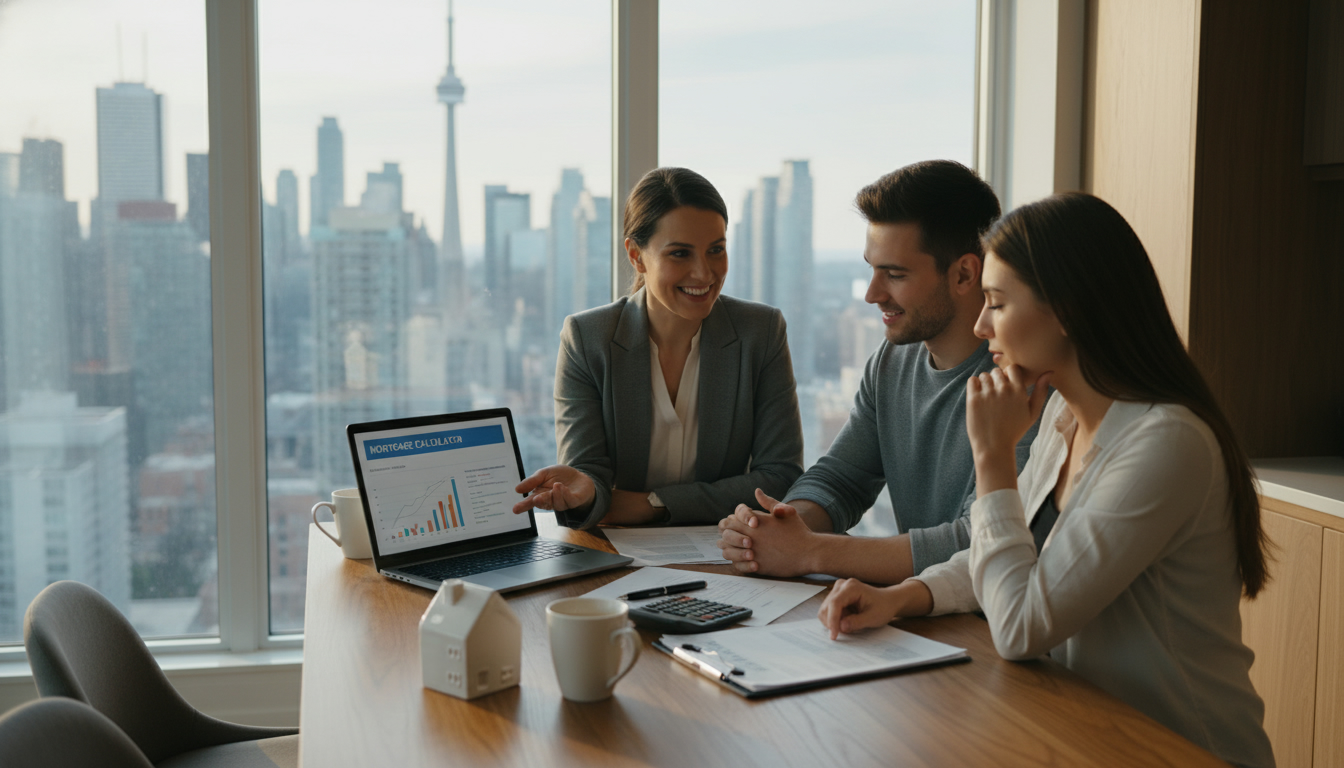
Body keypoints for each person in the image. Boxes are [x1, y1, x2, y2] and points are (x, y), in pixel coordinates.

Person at [818, 192, 1274, 768]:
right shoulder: (1064, 419)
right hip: (1087, 729)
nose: (982, 325)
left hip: (1178, 748)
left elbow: (1020, 625)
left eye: (997, 303)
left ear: (1066, 311)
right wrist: (901, 597)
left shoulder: (1165, 444)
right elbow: (1011, 554)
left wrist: (993, 458)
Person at [717, 160, 1037, 583]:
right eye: (871, 268)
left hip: (987, 625)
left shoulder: (1027, 385)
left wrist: (812, 552)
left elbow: (978, 540)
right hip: (918, 615)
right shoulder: (891, 361)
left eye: (895, 274)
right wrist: (782, 525)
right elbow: (843, 478)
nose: (872, 294)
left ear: (963, 273)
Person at [512, 167, 804, 530]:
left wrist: (653, 505)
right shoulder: (587, 339)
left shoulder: (760, 332)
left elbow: (780, 478)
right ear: (636, 256)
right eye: (680, 254)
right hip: (619, 549)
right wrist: (586, 491)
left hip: (725, 548)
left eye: (716, 250)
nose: (704, 273)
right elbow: (589, 478)